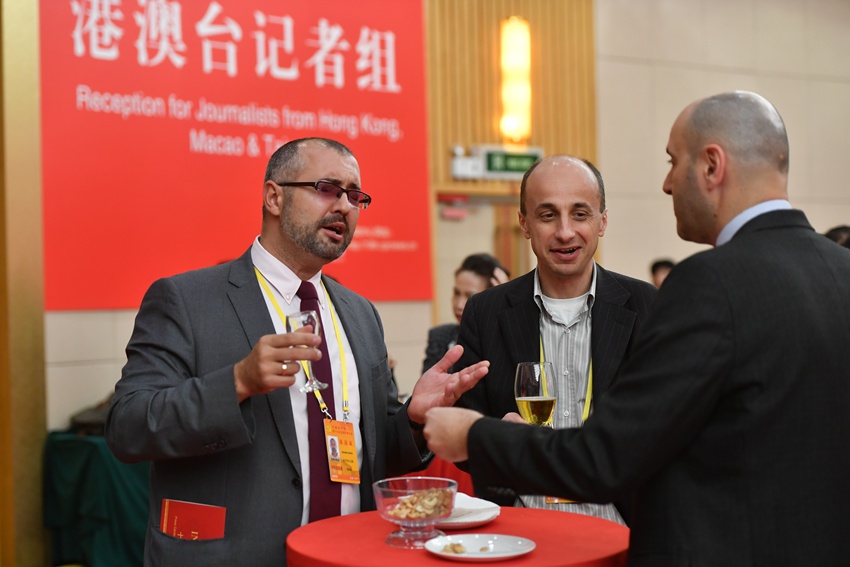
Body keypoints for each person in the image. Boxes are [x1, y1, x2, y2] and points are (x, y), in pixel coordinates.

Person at [424, 91, 850, 564]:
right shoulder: (842, 270)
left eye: (673, 162)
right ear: (525, 223)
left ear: (712, 166)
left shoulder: (706, 283)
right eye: (547, 214)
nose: (667, 184)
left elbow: (609, 455)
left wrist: (478, 436)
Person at [105, 137, 489, 567]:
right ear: (274, 197)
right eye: (327, 189)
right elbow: (128, 427)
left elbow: (374, 452)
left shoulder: (360, 314)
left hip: (349, 554)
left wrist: (413, 419)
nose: (344, 206)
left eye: (355, 196)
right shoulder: (188, 300)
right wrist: (237, 382)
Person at [452, 154, 658, 524]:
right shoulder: (485, 312)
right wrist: (496, 438)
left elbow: (666, 426)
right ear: (524, 223)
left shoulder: (647, 306)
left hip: (621, 524)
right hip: (518, 526)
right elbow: (465, 428)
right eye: (548, 215)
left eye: (580, 214)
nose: (565, 232)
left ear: (602, 221)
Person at [421, 253, 510, 374]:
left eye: (470, 297)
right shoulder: (440, 337)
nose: (459, 304)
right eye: (456, 293)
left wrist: (504, 303)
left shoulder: (506, 338)